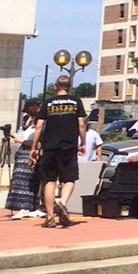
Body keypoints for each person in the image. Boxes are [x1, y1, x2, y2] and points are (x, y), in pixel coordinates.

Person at [28, 75, 87, 228]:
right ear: (69, 87)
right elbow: (81, 124)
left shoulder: (48, 103)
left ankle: (49, 217)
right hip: (68, 146)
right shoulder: (76, 101)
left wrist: (34, 148)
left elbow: (39, 127)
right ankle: (62, 202)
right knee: (69, 179)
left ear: (55, 87)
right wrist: (83, 142)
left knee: (49, 180)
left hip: (50, 147)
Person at [5, 99, 44, 219]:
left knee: (27, 183)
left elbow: (39, 143)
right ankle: (22, 206)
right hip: (22, 154)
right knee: (19, 182)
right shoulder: (30, 125)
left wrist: (21, 141)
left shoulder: (41, 125)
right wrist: (13, 135)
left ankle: (27, 207)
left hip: (30, 156)